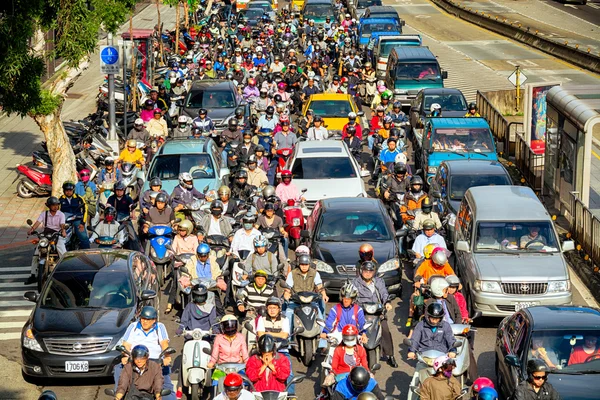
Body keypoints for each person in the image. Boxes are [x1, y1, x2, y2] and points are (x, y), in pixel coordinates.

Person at [114, 306, 173, 399]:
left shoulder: (159, 327)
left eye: (148, 319)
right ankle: (119, 394)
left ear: (154, 320)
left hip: (155, 361)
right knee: (118, 369)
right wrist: (124, 355)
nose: (144, 322)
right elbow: (126, 344)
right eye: (143, 319)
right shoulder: (133, 326)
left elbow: (164, 343)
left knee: (168, 391)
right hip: (135, 359)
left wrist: (167, 356)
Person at [174, 285, 218, 399]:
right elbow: (184, 321)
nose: (199, 298)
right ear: (193, 295)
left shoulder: (211, 307)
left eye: (202, 296)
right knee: (184, 359)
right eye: (197, 296)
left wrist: (215, 330)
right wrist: (180, 329)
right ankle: (179, 386)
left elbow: (213, 322)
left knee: (215, 359)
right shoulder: (189, 307)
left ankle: (216, 387)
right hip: (191, 337)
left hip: (206, 338)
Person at [352, 261, 397, 367]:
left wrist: (387, 302)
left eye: (370, 271)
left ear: (374, 272)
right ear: (361, 271)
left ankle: (390, 355)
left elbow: (384, 293)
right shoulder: (354, 283)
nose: (367, 273)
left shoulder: (379, 281)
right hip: (361, 312)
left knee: (385, 329)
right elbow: (350, 295)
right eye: (365, 271)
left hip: (377, 311)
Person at [25, 197, 67, 284]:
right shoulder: (44, 214)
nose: (55, 207)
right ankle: (33, 275)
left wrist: (63, 231)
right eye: (53, 205)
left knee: (63, 252)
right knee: (36, 254)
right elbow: (37, 223)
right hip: (46, 235)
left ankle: (65, 272)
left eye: (57, 205)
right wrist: (31, 230)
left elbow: (62, 225)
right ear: (49, 206)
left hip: (56, 234)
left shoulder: (61, 214)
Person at [283, 255, 328, 332]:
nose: (304, 266)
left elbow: (320, 286)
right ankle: (288, 342)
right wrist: (287, 294)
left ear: (309, 264)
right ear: (299, 264)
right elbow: (288, 288)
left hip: (311, 302)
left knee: (319, 317)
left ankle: (322, 342)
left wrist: (324, 294)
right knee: (288, 316)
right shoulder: (292, 274)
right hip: (295, 302)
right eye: (302, 264)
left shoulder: (315, 273)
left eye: (306, 264)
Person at [59, 181, 90, 249]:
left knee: (84, 237)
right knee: (59, 237)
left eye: (70, 190)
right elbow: (58, 212)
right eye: (66, 190)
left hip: (77, 220)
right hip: (65, 221)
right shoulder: (60, 199)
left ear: (73, 190)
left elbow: (85, 210)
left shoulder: (79, 198)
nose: (68, 192)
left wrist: (82, 223)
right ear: (64, 190)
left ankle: (87, 254)